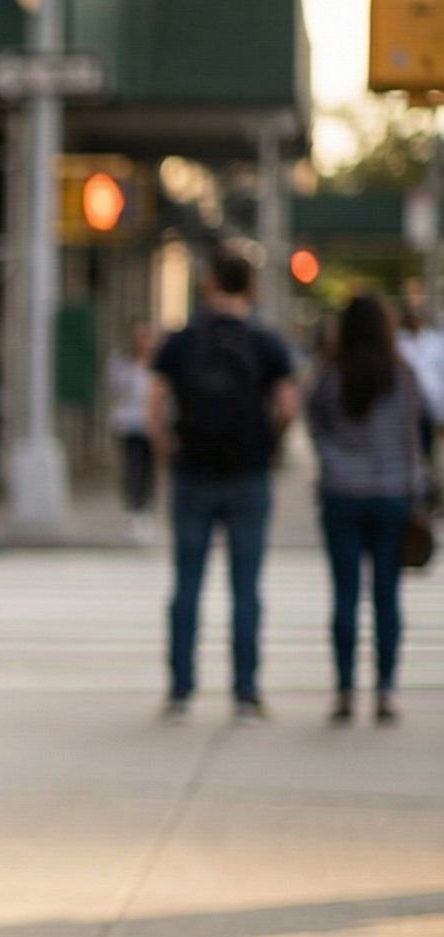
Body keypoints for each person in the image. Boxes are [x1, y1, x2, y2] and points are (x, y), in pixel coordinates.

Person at [149, 244, 297, 722]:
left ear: (210, 282)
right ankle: (246, 691)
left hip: (193, 472)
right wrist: (271, 443)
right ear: (249, 285)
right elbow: (289, 404)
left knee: (187, 584)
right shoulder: (265, 341)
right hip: (248, 473)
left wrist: (167, 449)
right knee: (246, 587)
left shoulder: (182, 339)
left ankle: (180, 689)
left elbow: (154, 402)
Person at [306, 295, 420, 726]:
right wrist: (414, 490)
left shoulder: (332, 375)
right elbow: (412, 438)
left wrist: (331, 459)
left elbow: (313, 421)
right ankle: (386, 688)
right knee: (387, 598)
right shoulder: (402, 376)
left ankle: (345, 688)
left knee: (345, 595)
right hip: (391, 494)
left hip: (342, 493)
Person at [106, 321, 157, 542]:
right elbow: (115, 387)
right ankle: (133, 509)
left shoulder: (157, 365)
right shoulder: (122, 364)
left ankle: (146, 509)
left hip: (151, 424)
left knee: (148, 468)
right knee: (133, 466)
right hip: (128, 423)